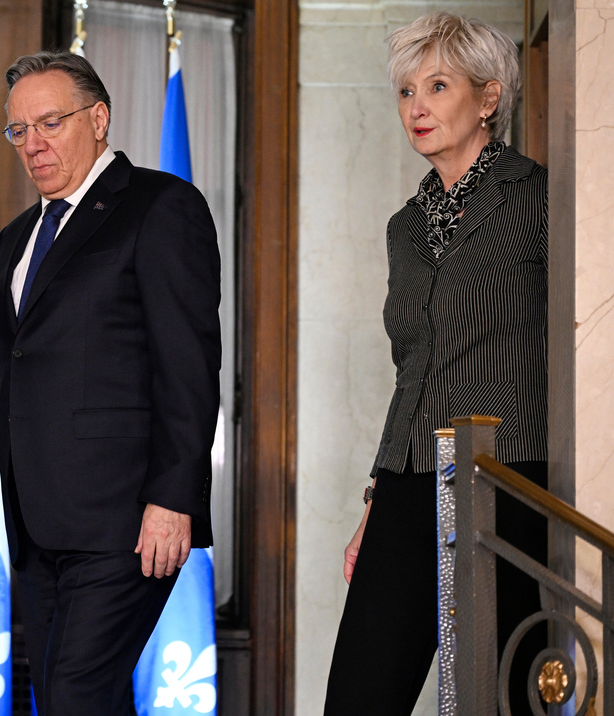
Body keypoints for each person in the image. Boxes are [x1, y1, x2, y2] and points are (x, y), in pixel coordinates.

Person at [0, 51, 221, 715]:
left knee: (77, 696)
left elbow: (188, 366)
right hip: (38, 528)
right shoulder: (17, 238)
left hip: (127, 523)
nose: (33, 143)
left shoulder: (161, 207)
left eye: (50, 122)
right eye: (19, 130)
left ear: (98, 119)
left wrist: (173, 498)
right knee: (69, 698)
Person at [323, 13, 548, 716]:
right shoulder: (405, 228)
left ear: (488, 97)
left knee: (502, 695)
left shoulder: (541, 198)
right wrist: (374, 501)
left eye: (437, 85)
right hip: (410, 478)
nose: (415, 106)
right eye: (404, 91)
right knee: (359, 694)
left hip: (508, 475)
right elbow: (412, 370)